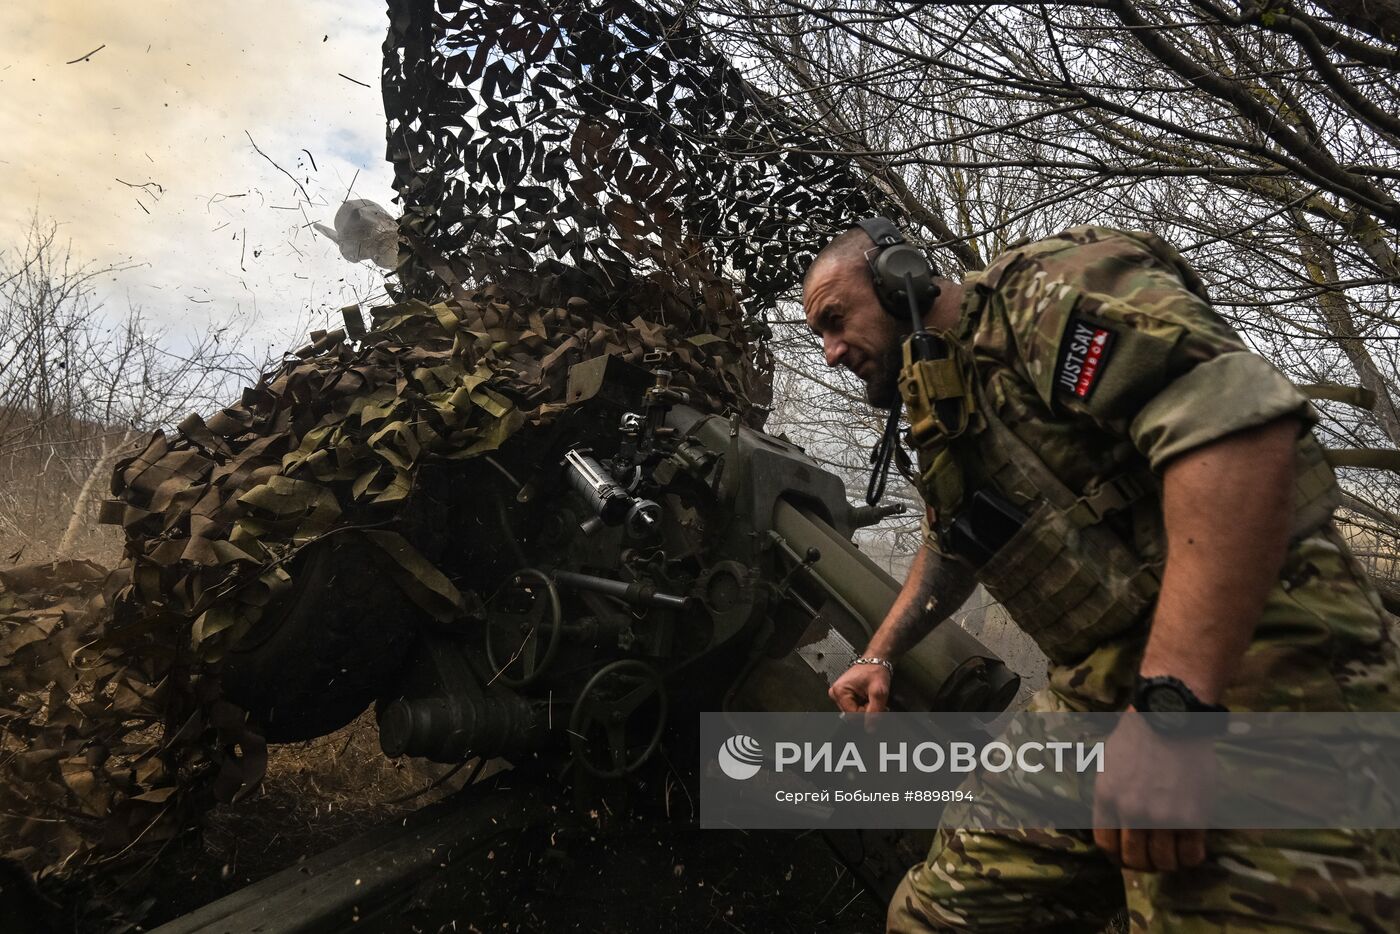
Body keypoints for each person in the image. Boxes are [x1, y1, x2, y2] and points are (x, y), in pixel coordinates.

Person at [804, 219, 1400, 931]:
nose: (833, 353)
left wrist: (1170, 717)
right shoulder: (943, 406)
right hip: (1095, 689)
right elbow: (953, 544)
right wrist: (880, 654)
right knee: (937, 917)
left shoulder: (1046, 294)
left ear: (901, 275)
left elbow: (1237, 429)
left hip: (1259, 659)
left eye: (836, 321)